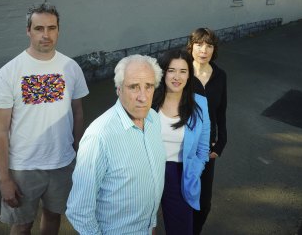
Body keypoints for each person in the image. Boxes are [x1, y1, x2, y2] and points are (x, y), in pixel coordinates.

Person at [0, 2, 89, 235]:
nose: (46, 35)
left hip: (62, 163)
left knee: (53, 218)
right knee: (22, 225)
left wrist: (77, 152)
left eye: (52, 28)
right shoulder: (9, 73)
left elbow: (78, 112)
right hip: (24, 167)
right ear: (28, 31)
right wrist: (4, 179)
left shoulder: (71, 68)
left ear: (58, 30)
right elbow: (0, 131)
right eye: (39, 28)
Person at [66, 55, 166, 235]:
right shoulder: (99, 137)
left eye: (149, 86)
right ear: (118, 89)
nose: (143, 97)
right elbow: (79, 210)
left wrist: (151, 225)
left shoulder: (154, 119)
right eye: (134, 87)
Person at [151, 49, 210, 235]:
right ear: (163, 72)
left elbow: (203, 149)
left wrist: (195, 171)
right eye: (171, 70)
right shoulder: (148, 100)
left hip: (180, 174)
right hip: (149, 170)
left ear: (189, 75)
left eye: (183, 71)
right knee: (142, 226)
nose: (177, 77)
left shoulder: (199, 104)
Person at [187, 28, 228, 235]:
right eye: (199, 44)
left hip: (207, 148)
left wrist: (221, 143)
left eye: (209, 45)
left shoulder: (220, 76)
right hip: (181, 145)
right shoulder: (181, 73)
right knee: (179, 197)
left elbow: (221, 112)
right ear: (191, 47)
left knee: (203, 203)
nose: (204, 50)